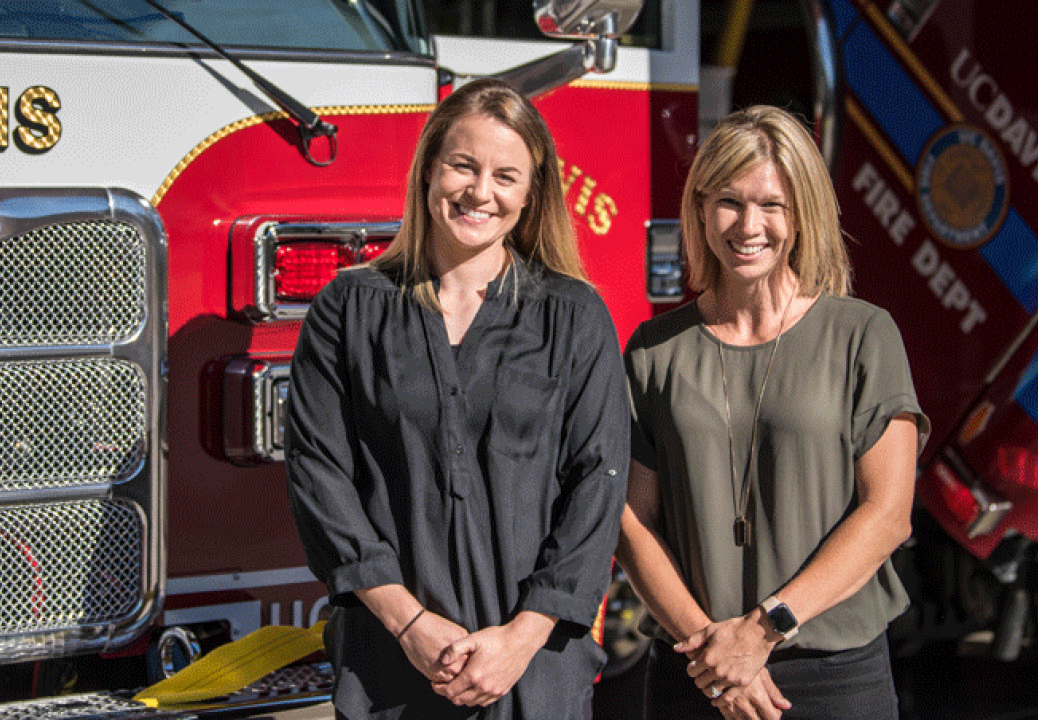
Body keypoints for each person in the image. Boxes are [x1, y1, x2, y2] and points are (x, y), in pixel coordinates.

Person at [285, 77, 629, 720]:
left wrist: (521, 638)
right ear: (428, 171)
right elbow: (319, 475)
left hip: (536, 671)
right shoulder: (348, 309)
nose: (480, 192)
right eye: (463, 166)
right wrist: (410, 623)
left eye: (506, 176)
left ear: (531, 194)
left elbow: (598, 485)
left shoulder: (574, 315)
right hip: (389, 666)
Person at [617, 105, 930, 720]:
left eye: (772, 205)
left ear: (803, 213)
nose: (748, 225)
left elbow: (888, 515)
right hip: (695, 671)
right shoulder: (654, 349)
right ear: (701, 209)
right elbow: (631, 521)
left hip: (833, 677)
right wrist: (714, 655)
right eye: (729, 202)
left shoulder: (863, 335)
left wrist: (761, 632)